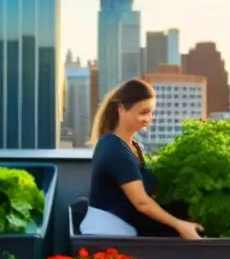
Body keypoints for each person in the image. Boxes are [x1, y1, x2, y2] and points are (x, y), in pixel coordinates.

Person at [80, 79, 203, 239]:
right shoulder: (113, 147)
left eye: (151, 112)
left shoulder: (135, 146)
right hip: (109, 233)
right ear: (121, 109)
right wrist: (180, 225)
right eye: (143, 112)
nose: (149, 118)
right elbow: (141, 202)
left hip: (126, 229)